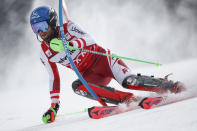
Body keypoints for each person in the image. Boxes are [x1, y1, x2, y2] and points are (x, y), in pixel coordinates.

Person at [30, 6, 185, 123]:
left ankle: (171, 85)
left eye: (42, 26)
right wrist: (54, 107)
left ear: (52, 22)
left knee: (129, 82)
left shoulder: (69, 27)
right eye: (35, 28)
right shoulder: (44, 52)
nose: (40, 32)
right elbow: (53, 78)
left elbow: (90, 39)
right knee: (78, 87)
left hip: (105, 61)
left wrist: (72, 43)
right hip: (91, 76)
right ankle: (128, 99)